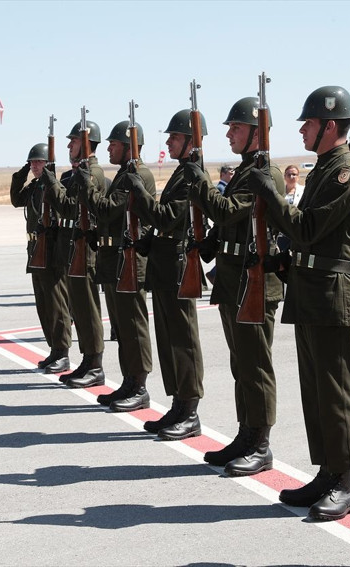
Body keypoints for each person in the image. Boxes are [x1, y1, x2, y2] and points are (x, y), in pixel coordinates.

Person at [247, 85, 350, 521]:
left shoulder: (346, 173)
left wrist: (272, 196)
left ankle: (344, 482)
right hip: (311, 287)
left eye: (309, 123)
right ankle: (326, 471)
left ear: (330, 126)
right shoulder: (323, 169)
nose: (301, 129)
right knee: (315, 389)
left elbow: (309, 227)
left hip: (332, 292)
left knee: (335, 392)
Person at [187, 96, 284, 476]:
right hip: (233, 278)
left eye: (236, 128)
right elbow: (227, 223)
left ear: (256, 133)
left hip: (254, 280)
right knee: (240, 363)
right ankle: (246, 434)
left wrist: (202, 185)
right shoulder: (246, 171)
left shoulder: (266, 174)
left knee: (256, 365)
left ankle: (261, 443)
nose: (228, 133)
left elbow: (228, 210)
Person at [127, 110, 206, 440]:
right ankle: (177, 404)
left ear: (190, 140)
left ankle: (190, 410)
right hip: (163, 264)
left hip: (177, 267)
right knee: (168, 340)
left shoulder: (192, 175)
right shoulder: (181, 173)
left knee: (183, 340)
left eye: (174, 137)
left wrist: (141, 195)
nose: (169, 141)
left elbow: (167, 217)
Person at [78, 121, 155, 410]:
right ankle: (128, 382)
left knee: (134, 327)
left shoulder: (138, 175)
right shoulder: (123, 174)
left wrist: (88, 189)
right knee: (121, 328)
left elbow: (110, 210)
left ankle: (140, 385)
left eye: (114, 144)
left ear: (129, 146)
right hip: (114, 261)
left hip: (130, 262)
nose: (108, 147)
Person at [41, 121, 107, 388]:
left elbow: (70, 208)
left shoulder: (93, 174)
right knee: (78, 308)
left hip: (86, 251)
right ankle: (87, 360)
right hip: (73, 246)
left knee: (88, 310)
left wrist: (52, 185)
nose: (69, 145)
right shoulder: (79, 172)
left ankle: (95, 364)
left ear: (87, 144)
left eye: (74, 141)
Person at [10, 144, 72, 374]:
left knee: (57, 303)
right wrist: (22, 174)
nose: (35, 166)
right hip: (35, 248)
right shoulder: (36, 186)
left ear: (48, 163)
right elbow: (17, 199)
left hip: (52, 252)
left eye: (38, 162)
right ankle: (54, 349)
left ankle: (63, 351)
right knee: (44, 304)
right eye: (32, 162)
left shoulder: (55, 186)